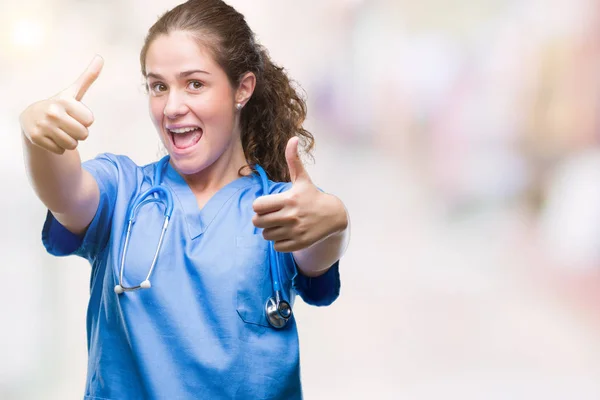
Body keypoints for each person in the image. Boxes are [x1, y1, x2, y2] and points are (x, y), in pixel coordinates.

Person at [19, 0, 350, 399]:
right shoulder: (124, 191)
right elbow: (66, 193)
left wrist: (336, 219)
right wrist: (37, 136)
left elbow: (319, 248)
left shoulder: (279, 208)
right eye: (158, 86)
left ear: (242, 89)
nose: (172, 107)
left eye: (194, 83)